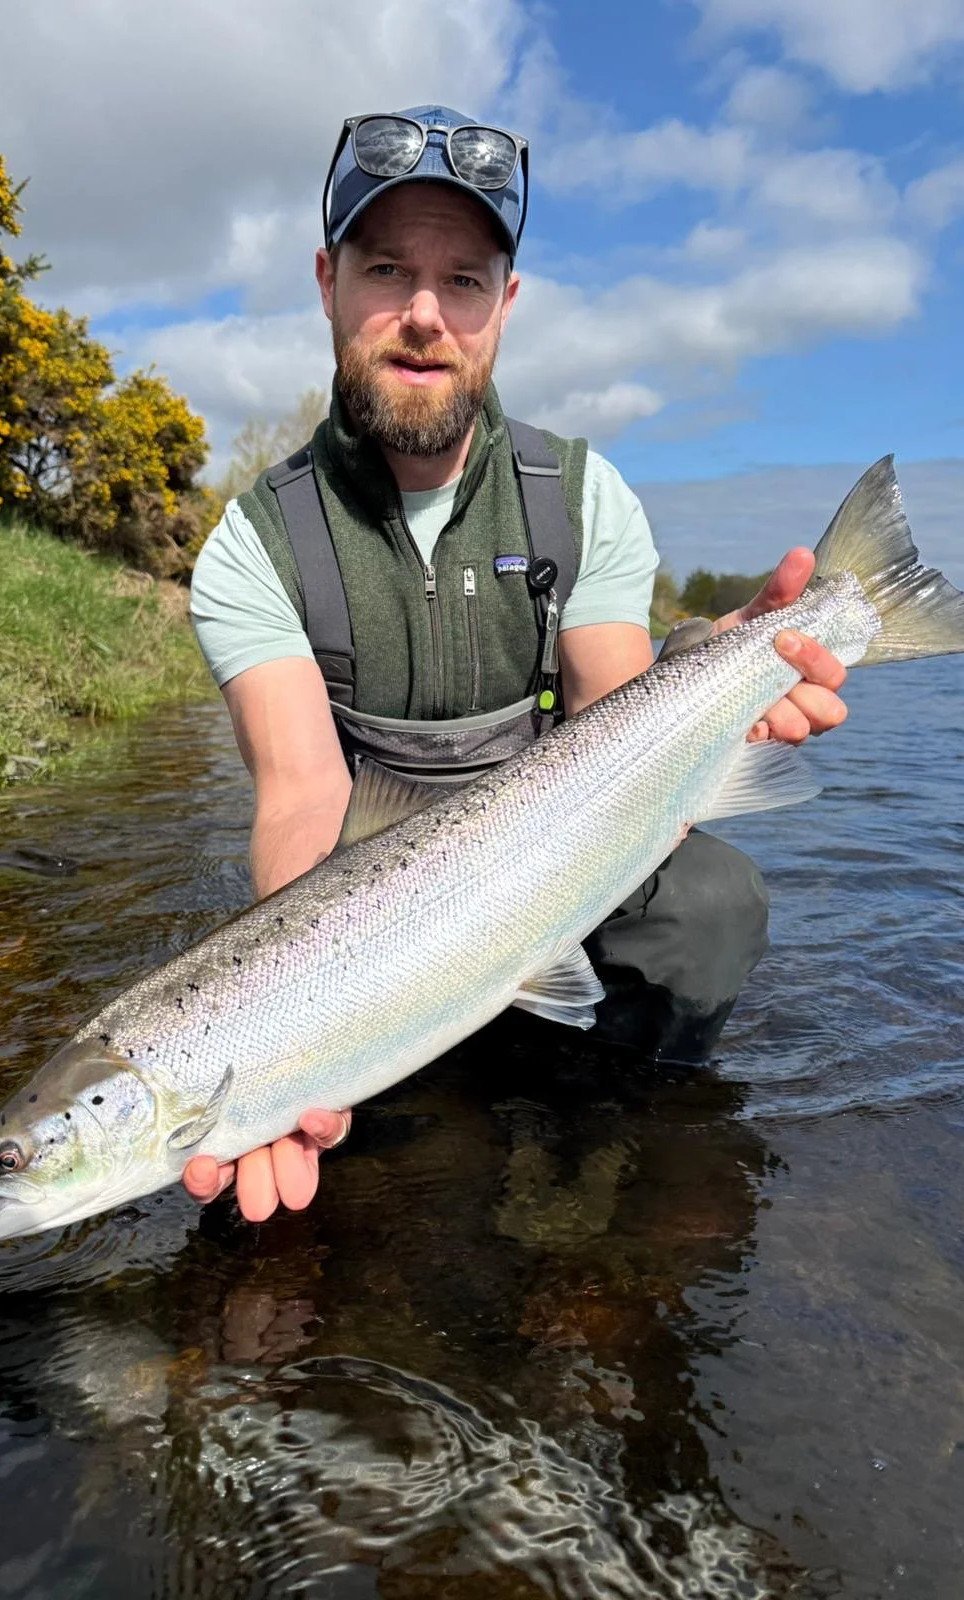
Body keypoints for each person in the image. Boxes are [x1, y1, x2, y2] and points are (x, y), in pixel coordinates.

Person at [185, 107, 847, 1222]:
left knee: (710, 900)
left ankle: (620, 1131)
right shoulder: (254, 545)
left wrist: (728, 686)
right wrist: (284, 1036)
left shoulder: (584, 496)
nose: (424, 315)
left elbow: (613, 718)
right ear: (327, 282)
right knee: (376, 1178)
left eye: (466, 280)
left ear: (506, 307)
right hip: (371, 914)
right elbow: (301, 794)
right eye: (387, 269)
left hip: (559, 857)